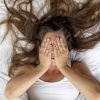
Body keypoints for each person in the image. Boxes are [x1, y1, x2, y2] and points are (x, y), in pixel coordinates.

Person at [0, 0, 100, 100]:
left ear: (67, 48)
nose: (53, 50)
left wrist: (64, 67)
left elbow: (96, 95)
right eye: (49, 45)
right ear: (40, 48)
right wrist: (42, 67)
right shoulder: (29, 69)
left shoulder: (76, 67)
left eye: (59, 45)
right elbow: (10, 94)